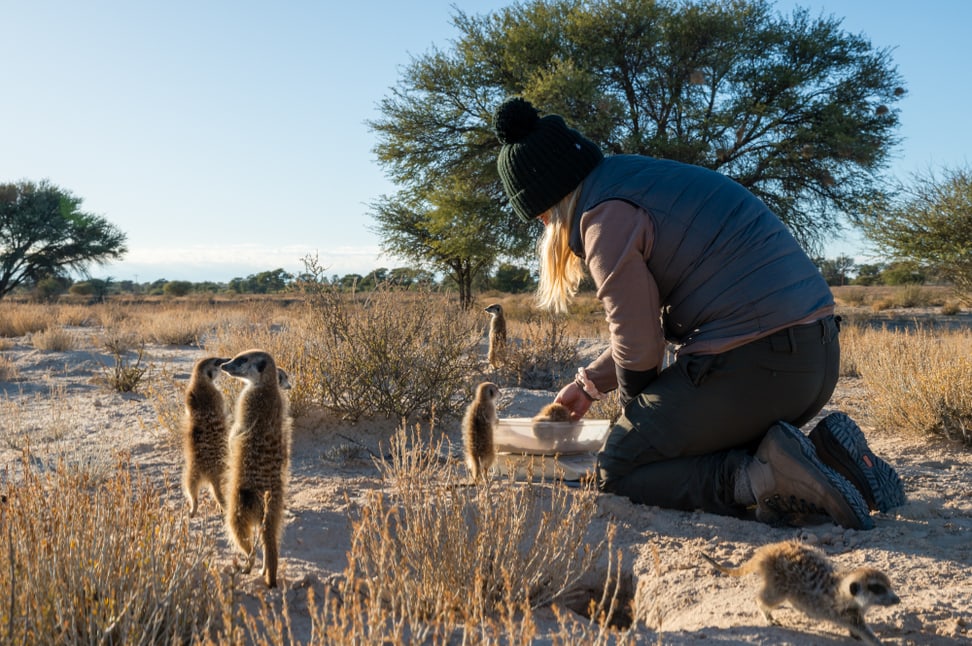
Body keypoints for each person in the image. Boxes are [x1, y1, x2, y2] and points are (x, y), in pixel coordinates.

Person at [492, 96, 905, 529]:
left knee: (619, 466)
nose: (543, 227)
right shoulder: (634, 178)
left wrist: (638, 425)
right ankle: (832, 462)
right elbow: (643, 332)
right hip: (814, 360)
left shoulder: (603, 219)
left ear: (549, 202)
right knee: (668, 440)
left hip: (757, 368)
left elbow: (640, 347)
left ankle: (761, 479)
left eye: (539, 217)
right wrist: (591, 385)